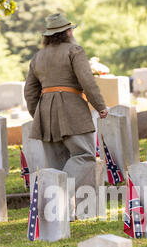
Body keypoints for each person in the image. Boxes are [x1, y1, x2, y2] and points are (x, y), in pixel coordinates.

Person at [24, 13, 108, 201]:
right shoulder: (74, 50)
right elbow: (87, 80)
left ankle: (60, 211)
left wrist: (38, 115)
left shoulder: (38, 57)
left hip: (45, 113)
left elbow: (29, 91)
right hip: (72, 111)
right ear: (68, 32)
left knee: (56, 164)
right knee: (84, 156)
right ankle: (59, 194)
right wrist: (100, 106)